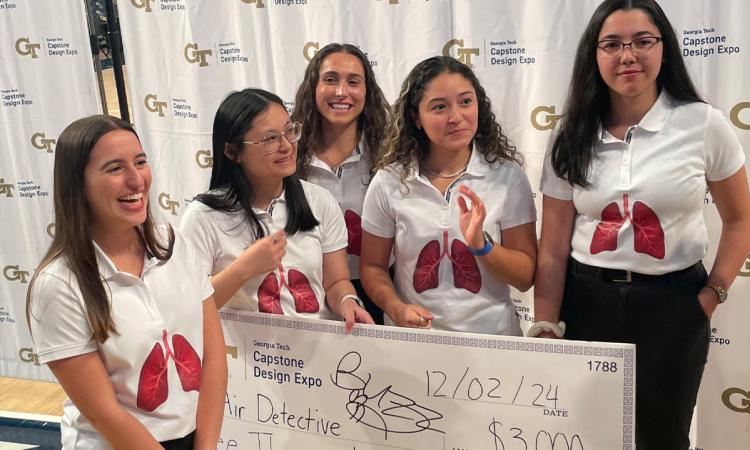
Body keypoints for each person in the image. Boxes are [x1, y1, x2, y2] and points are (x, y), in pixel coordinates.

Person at [532, 1, 750, 448]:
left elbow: (740, 219)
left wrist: (711, 295)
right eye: (612, 44)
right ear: (594, 55)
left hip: (674, 304)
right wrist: (546, 325)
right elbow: (552, 247)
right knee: (588, 434)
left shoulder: (702, 124)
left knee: (664, 437)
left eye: (642, 42)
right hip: (586, 301)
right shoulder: (570, 134)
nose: (627, 55)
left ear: (664, 48)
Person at [26, 115, 227, 449]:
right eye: (115, 168)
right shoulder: (58, 285)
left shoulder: (174, 243)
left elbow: (214, 356)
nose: (136, 180)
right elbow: (104, 413)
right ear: (78, 184)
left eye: (140, 162)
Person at [360, 56, 537, 335]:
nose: (456, 117)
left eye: (466, 101)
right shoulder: (389, 182)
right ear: (416, 117)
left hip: (491, 341)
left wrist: (482, 244)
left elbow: (525, 276)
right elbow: (372, 267)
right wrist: (396, 308)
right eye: (439, 107)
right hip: (416, 342)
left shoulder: (507, 177)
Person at [180, 88, 374, 332]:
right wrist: (243, 270)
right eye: (270, 139)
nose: (286, 146)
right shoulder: (202, 217)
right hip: (246, 361)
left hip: (314, 355)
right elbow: (189, 307)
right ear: (232, 151)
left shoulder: (319, 201)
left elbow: (336, 282)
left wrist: (348, 302)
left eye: (289, 131)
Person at [291, 43, 391, 324]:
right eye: (331, 79)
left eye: (353, 82)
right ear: (313, 87)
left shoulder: (389, 157)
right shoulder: (289, 155)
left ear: (367, 92)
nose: (341, 92)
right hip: (305, 291)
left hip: (377, 290)